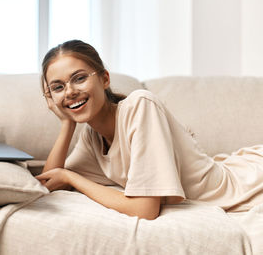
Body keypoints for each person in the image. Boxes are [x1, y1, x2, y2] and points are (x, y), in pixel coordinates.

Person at [35, 39, 263, 220]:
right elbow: (50, 182)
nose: (70, 91)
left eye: (79, 78)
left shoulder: (140, 106)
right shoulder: (92, 137)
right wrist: (67, 124)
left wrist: (70, 177)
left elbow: (145, 209)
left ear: (104, 79)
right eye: (58, 87)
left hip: (248, 185)